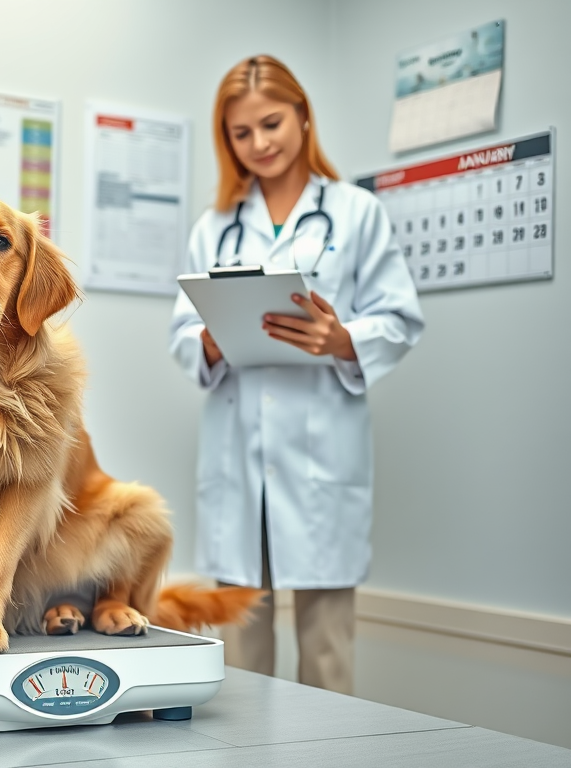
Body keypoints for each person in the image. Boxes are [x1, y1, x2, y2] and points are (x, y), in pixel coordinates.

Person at [169, 55, 424, 694]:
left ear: (303, 115)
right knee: (237, 659)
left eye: (271, 123)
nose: (260, 144)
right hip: (237, 459)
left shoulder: (357, 212)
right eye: (241, 133)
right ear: (226, 141)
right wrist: (211, 339)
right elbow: (181, 334)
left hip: (320, 460)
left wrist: (343, 339)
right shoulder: (215, 227)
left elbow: (399, 318)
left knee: (328, 658)